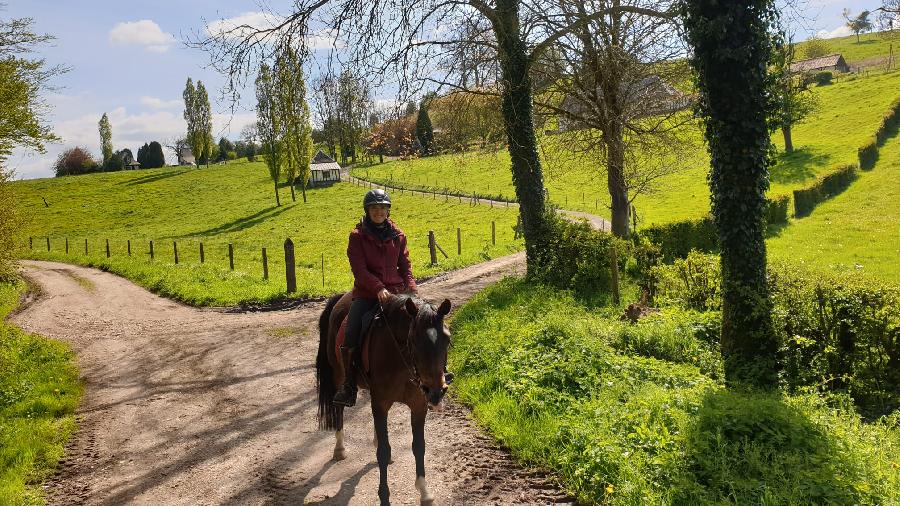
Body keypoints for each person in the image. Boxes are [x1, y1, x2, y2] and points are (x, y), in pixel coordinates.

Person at [333, 188, 416, 407]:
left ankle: (430, 375)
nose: (379, 212)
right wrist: (378, 288)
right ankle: (349, 385)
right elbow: (359, 270)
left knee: (424, 322)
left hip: (397, 292)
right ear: (367, 210)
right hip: (367, 293)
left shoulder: (398, 235)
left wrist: (412, 287)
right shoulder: (357, 237)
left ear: (388, 211)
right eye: (374, 208)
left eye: (382, 208)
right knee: (351, 330)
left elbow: (405, 266)